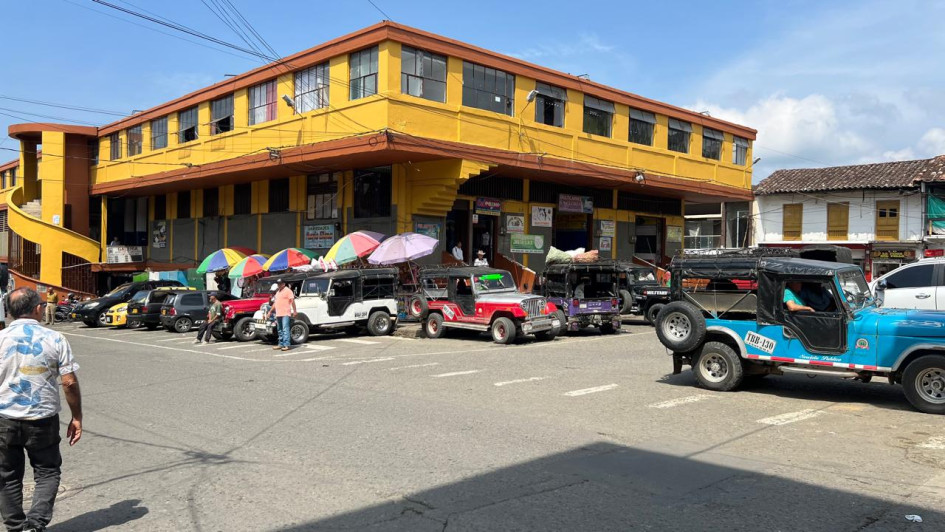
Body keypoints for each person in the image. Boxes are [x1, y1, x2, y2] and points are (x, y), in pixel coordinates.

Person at [0, 287, 82, 532]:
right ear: (37, 309)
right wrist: (77, 417)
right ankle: (34, 525)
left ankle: (15, 527)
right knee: (47, 471)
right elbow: (68, 381)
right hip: (42, 418)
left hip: (4, 417)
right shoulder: (56, 339)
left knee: (7, 475)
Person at [268, 279, 296, 352]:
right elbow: (275, 303)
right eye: (278, 284)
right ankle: (281, 344)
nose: (279, 285)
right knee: (279, 329)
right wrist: (270, 311)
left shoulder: (288, 291)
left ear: (283, 284)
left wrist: (295, 310)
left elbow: (292, 301)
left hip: (285, 313)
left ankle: (287, 344)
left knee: (285, 329)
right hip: (278, 313)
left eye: (280, 284)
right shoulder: (278, 292)